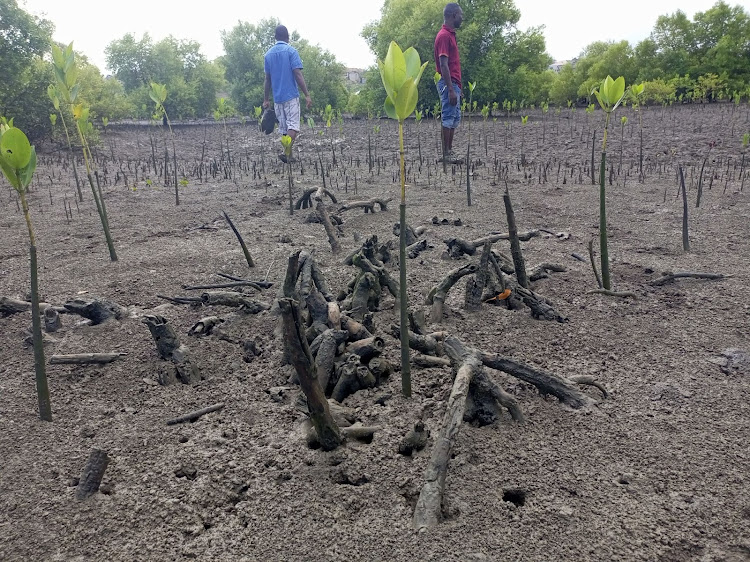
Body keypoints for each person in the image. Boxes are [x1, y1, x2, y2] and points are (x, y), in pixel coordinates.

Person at [263, 25, 312, 163]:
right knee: (293, 127)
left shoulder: (268, 55)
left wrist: (266, 99)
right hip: (290, 96)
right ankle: (285, 152)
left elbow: (267, 79)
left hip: (277, 98)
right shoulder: (291, 51)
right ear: (288, 37)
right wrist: (307, 95)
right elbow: (297, 73)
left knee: (284, 128)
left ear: (275, 37)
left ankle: (289, 156)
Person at [434, 3, 463, 163]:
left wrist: (458, 87)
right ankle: (446, 153)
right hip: (448, 83)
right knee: (448, 116)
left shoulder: (450, 35)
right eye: (460, 15)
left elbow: (452, 64)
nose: (462, 18)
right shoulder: (444, 35)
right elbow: (443, 64)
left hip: (454, 83)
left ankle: (449, 152)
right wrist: (451, 89)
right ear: (453, 15)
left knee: (454, 117)